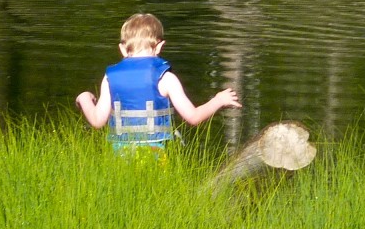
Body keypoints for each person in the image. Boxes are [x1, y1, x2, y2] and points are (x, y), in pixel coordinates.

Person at [75, 13, 241, 150]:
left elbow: (97, 121)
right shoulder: (166, 78)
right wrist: (218, 100)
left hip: (121, 153)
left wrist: (84, 98)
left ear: (122, 48)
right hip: (157, 151)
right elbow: (193, 117)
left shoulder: (109, 78)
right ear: (160, 46)